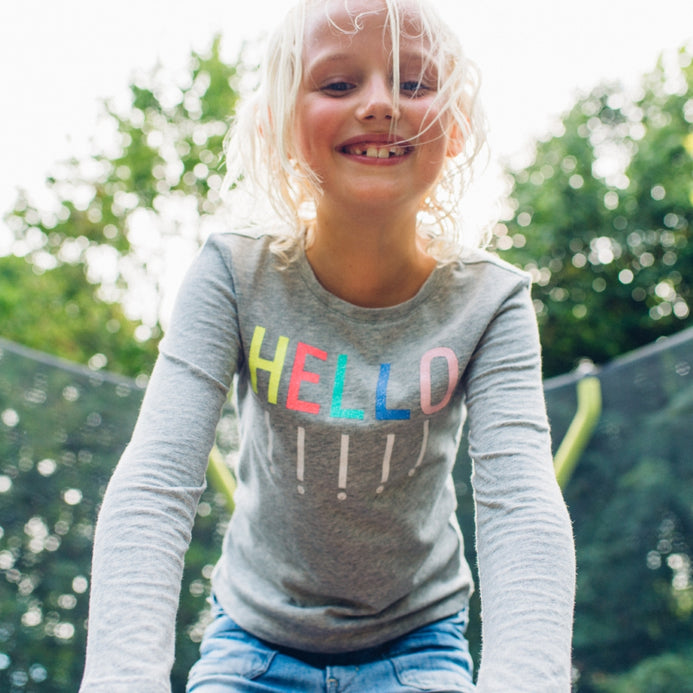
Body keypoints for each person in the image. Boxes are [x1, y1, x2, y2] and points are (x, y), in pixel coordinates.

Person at [80, 0, 576, 690]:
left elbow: (519, 504)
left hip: (418, 645)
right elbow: (156, 483)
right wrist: (122, 678)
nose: (379, 103)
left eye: (413, 83)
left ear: (456, 127)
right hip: (253, 642)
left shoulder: (488, 301)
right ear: (281, 126)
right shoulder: (234, 274)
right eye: (338, 83)